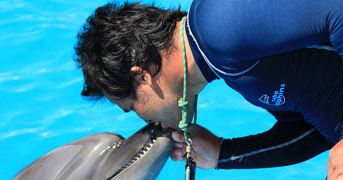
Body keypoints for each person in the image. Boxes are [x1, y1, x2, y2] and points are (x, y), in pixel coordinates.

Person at [74, 1, 343, 179]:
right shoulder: (230, 67)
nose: (147, 121)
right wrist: (221, 153)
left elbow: (336, 10)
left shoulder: (220, 22)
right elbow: (314, 134)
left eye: (131, 107)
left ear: (141, 77)